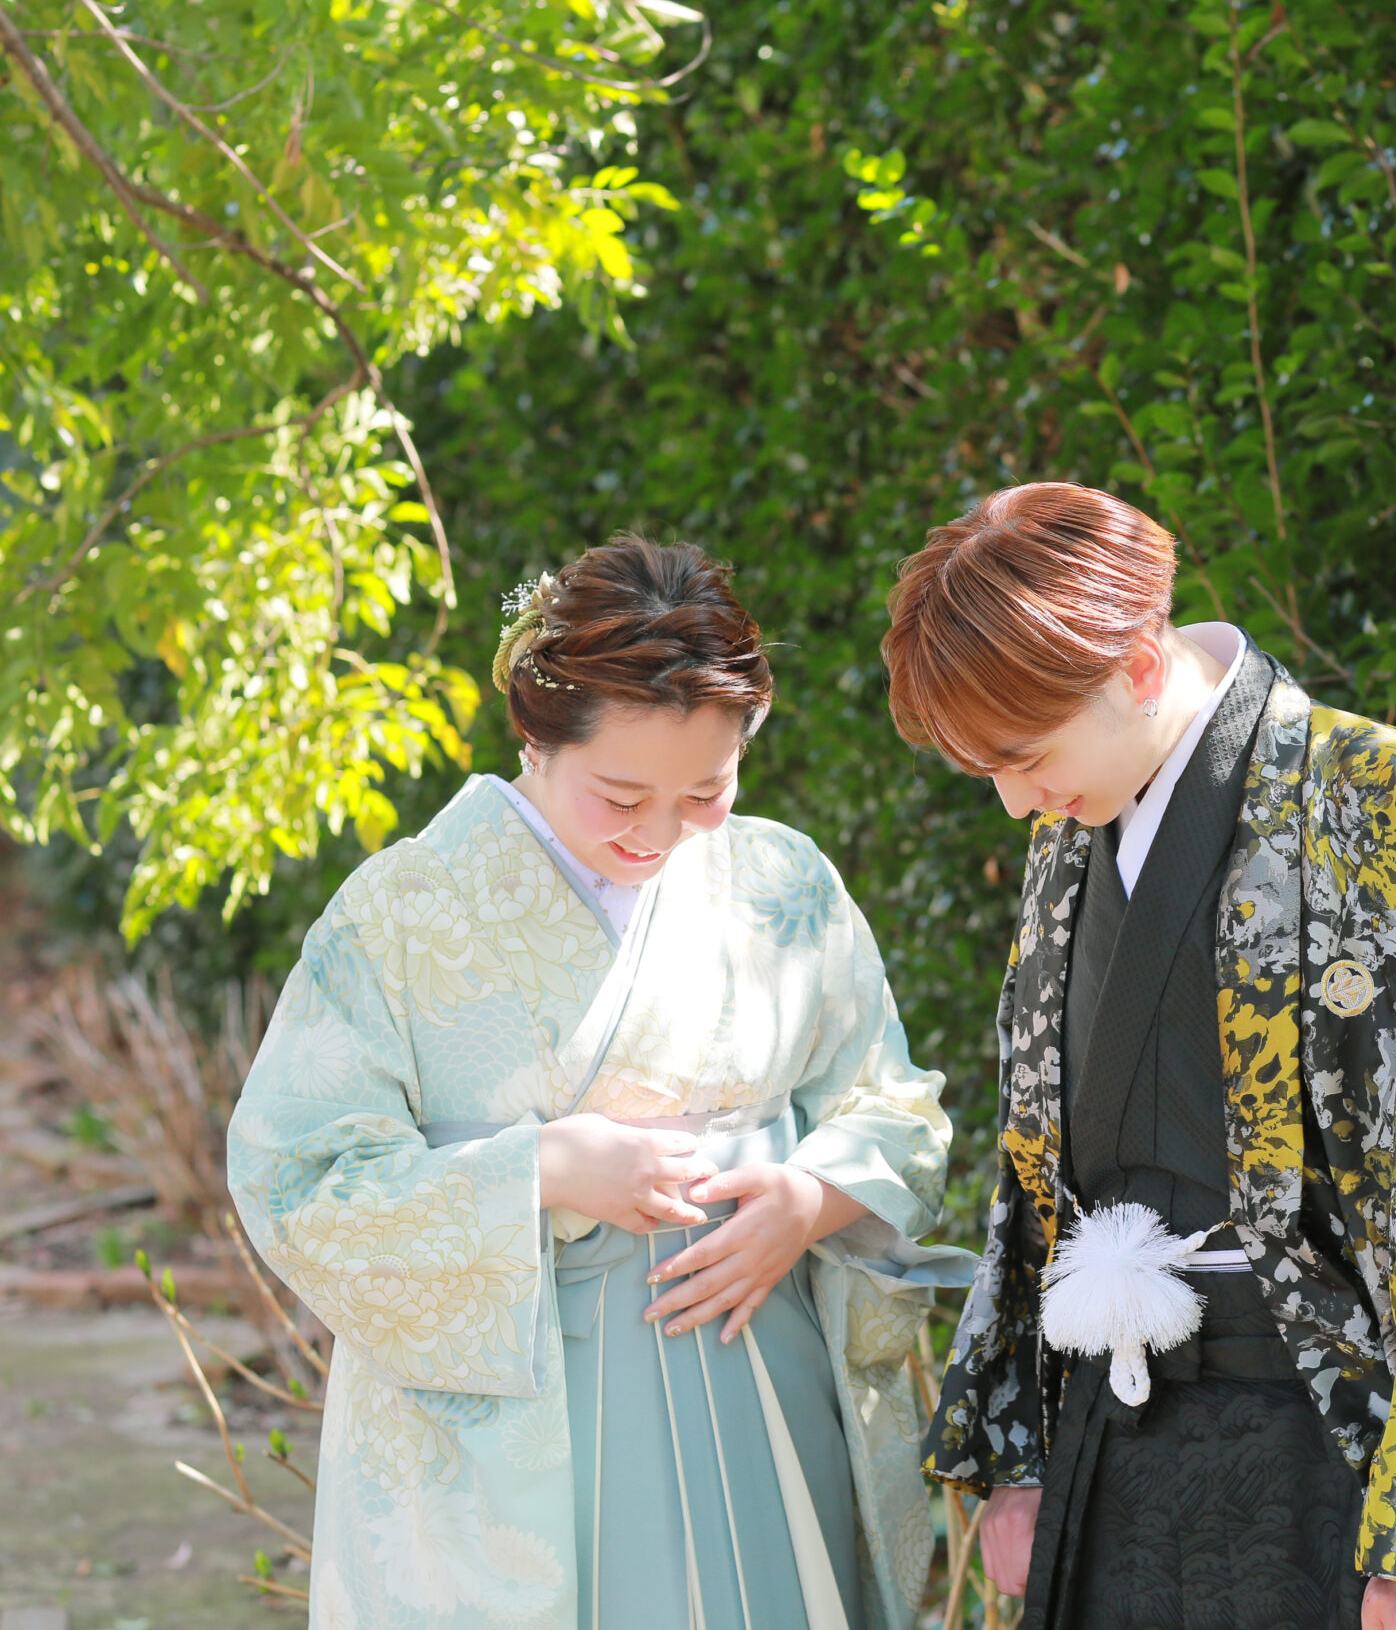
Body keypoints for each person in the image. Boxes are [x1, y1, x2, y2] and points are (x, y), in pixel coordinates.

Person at [889, 484, 1396, 1630]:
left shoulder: (1374, 798)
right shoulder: (1076, 829)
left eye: (1025, 756)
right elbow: (1039, 1176)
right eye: (988, 773)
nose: (1018, 802)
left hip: (1332, 1443)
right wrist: (1022, 1451)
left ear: (1136, 668)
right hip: (1116, 1439)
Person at [229, 536, 967, 1630]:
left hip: (755, 1350)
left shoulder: (783, 880)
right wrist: (536, 1170)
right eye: (621, 795)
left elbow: (892, 1104)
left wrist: (811, 1199)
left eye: (706, 790)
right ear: (536, 737)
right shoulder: (402, 910)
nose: (660, 832)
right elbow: (294, 1174)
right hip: (524, 1408)